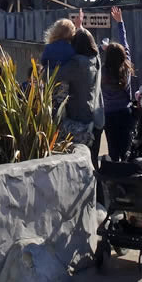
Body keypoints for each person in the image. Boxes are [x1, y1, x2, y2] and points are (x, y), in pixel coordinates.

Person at [45, 12, 104, 167]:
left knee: (81, 165)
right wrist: (80, 27)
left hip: (80, 121)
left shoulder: (77, 64)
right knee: (93, 162)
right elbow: (87, 41)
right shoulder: (95, 60)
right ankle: (99, 191)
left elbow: (52, 75)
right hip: (96, 118)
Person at [100, 7, 134, 161]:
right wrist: (120, 23)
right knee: (125, 148)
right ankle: (127, 177)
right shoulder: (126, 68)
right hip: (125, 112)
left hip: (109, 113)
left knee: (113, 149)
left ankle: (115, 178)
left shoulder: (103, 71)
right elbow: (124, 44)